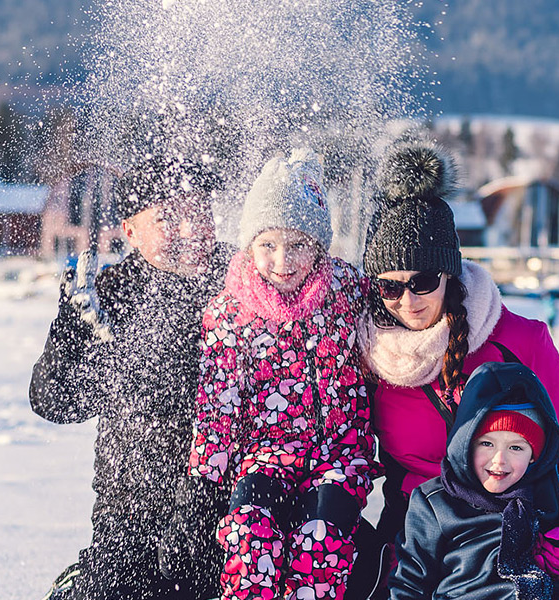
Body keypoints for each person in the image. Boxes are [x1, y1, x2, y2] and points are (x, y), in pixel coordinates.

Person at [359, 143, 559, 599]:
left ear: (449, 273)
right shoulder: (368, 355)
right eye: (390, 286)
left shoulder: (520, 341)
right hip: (426, 533)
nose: (409, 300)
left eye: (423, 281)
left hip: (530, 516)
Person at [29, 156, 233, 600]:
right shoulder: (112, 293)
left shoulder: (243, 282)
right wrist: (70, 329)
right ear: (130, 231)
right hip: (130, 512)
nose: (186, 231)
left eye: (197, 212)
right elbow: (55, 402)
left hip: (227, 505)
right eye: (166, 218)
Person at [180, 148, 379, 600]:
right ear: (250, 246)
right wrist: (204, 479)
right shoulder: (232, 311)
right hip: (265, 455)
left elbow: (400, 321)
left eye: (298, 245)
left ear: (319, 246)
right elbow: (220, 404)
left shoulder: (347, 291)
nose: (282, 260)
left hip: (339, 457)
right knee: (250, 538)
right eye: (268, 245)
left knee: (320, 541)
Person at [390, 362, 559, 600]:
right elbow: (411, 583)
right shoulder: (436, 503)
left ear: (535, 456)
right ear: (465, 444)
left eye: (516, 448)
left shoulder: (554, 493)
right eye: (487, 444)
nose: (499, 461)